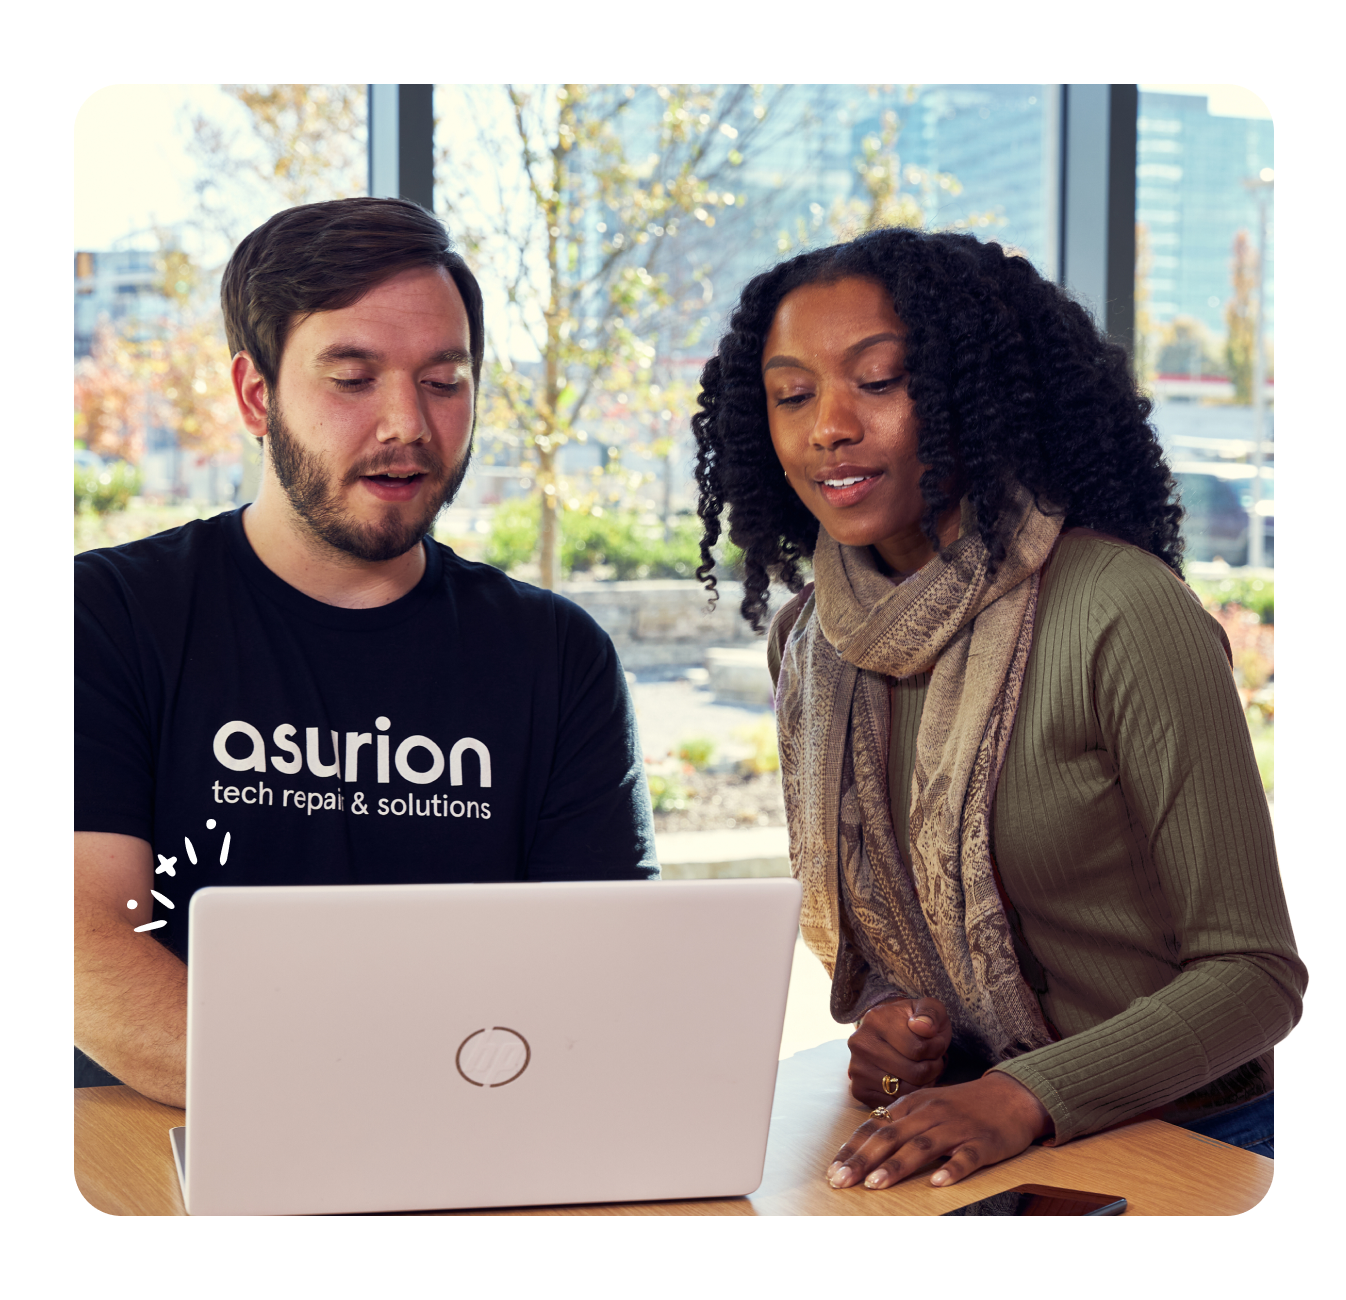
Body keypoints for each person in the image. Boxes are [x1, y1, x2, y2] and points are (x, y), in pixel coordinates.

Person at [691, 227, 1299, 1192]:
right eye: (793, 394)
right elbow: (905, 935)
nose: (829, 427)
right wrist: (895, 1030)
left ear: (973, 394)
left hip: (1200, 1131)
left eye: (879, 380)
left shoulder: (1119, 610)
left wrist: (1023, 1095)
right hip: (966, 1128)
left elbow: (1257, 976)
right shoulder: (810, 644)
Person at [75, 198, 657, 1107]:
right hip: (176, 1144)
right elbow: (89, 947)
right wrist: (378, 1097)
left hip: (476, 1148)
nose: (407, 425)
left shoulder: (557, 656)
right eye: (351, 378)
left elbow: (603, 970)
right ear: (255, 395)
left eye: (444, 379)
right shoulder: (107, 616)